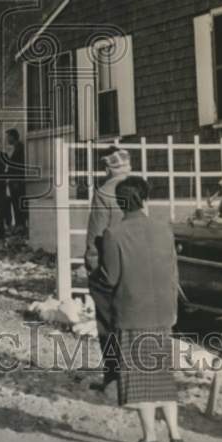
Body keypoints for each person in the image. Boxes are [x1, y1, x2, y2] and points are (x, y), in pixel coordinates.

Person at [102, 176, 186, 442]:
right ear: (145, 199)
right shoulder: (164, 229)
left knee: (140, 377)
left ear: (119, 202)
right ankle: (176, 436)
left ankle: (149, 438)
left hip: (132, 312)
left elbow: (111, 278)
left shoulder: (114, 234)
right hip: (163, 311)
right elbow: (174, 272)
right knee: (162, 373)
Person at [84, 147, 132, 392]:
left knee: (108, 324)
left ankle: (113, 378)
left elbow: (96, 235)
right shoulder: (138, 189)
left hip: (108, 267)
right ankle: (133, 377)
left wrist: (92, 266)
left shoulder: (104, 193)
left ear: (106, 169)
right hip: (134, 265)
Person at [4, 128, 28, 235]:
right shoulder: (18, 148)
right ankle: (20, 225)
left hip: (17, 182)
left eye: (8, 136)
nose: (7, 139)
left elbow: (19, 166)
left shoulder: (19, 149)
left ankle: (20, 225)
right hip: (16, 181)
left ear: (13, 137)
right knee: (17, 203)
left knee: (17, 203)